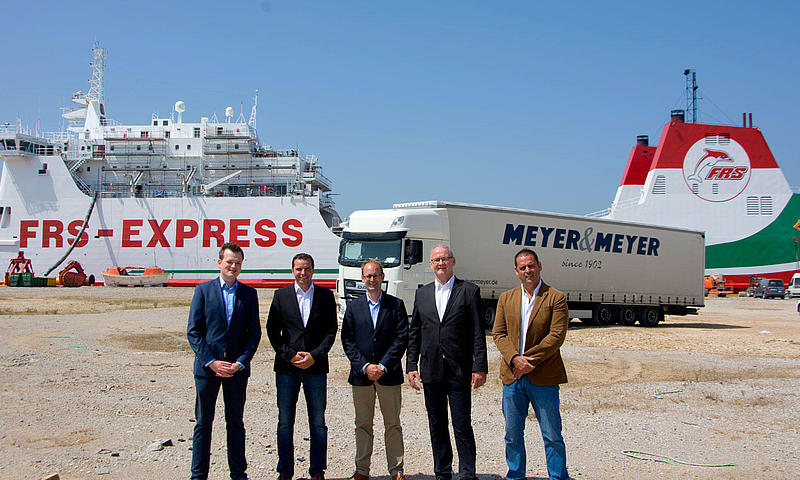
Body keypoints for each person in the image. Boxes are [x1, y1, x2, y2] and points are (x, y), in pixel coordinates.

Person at [406, 244, 488, 480]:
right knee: (437, 424)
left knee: (462, 424)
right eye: (436, 260)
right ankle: (442, 471)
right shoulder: (422, 294)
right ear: (430, 265)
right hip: (431, 370)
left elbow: (477, 332)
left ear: (453, 261)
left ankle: (467, 473)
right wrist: (411, 365)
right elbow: (415, 333)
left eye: (444, 259)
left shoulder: (469, 291)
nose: (440, 264)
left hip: (459, 370)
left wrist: (479, 366)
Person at [491, 248, 569, 480]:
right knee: (513, 434)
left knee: (552, 434)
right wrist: (515, 359)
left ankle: (558, 476)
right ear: (516, 271)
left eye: (531, 265)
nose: (528, 271)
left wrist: (528, 361)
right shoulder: (506, 298)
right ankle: (515, 475)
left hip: (542, 376)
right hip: (513, 377)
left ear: (539, 266)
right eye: (523, 267)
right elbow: (499, 333)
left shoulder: (555, 297)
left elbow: (556, 336)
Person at [187, 242, 262, 480]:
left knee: (235, 424)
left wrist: (240, 362)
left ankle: (238, 473)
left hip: (236, 371)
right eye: (229, 262)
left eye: (238, 263)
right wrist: (211, 362)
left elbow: (254, 334)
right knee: (203, 424)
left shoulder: (249, 294)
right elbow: (194, 332)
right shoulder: (203, 290)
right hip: (208, 370)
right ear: (219, 263)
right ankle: (198, 475)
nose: (233, 266)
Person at [266, 253, 338, 480]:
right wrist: (290, 356)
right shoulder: (281, 296)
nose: (303, 273)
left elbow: (331, 330)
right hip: (287, 369)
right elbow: (272, 331)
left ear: (313, 270)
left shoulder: (326, 296)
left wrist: (315, 356)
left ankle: (317, 470)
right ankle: (285, 471)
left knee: (318, 422)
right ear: (292, 270)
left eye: (307, 269)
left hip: (316, 368)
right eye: (298, 269)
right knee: (285, 422)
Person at [341, 260, 409, 480]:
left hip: (388, 375)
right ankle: (362, 470)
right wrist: (365, 366)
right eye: (368, 276)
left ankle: (397, 470)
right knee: (362, 425)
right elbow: (348, 341)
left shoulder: (396, 305)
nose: (372, 280)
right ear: (362, 279)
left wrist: (382, 366)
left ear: (382, 277)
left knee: (393, 425)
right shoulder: (353, 307)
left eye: (375, 276)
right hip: (361, 377)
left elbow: (401, 339)